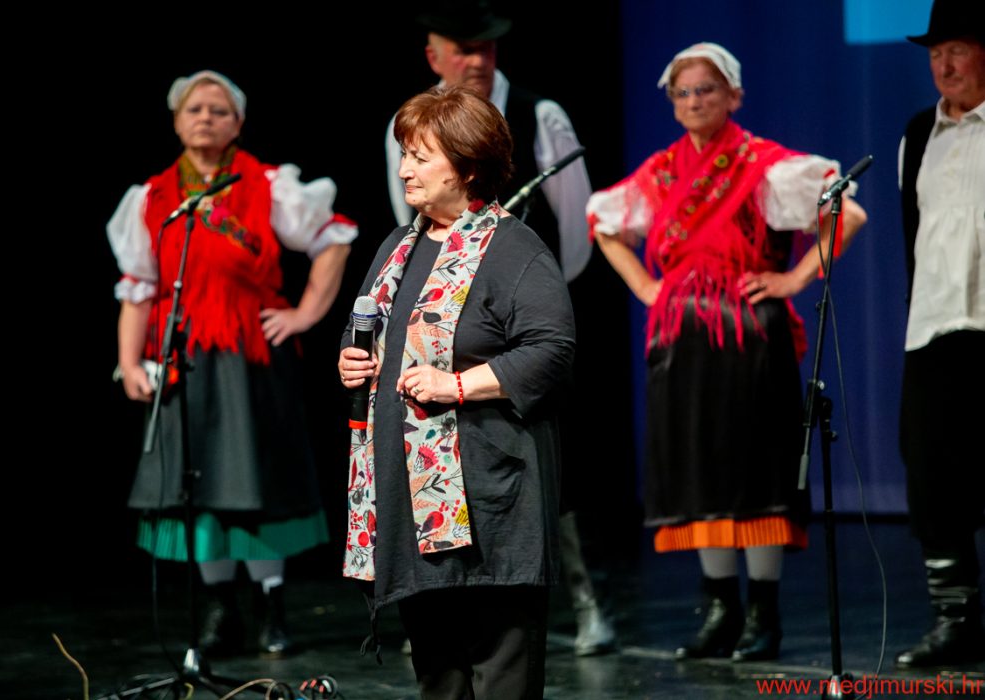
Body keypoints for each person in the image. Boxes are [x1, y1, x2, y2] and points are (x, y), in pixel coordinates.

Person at [587, 42, 867, 662]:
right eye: (683, 92)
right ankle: (720, 608)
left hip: (748, 337)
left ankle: (763, 612)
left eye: (706, 89)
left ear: (733, 95)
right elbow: (604, 225)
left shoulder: (765, 166)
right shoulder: (662, 171)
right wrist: (648, 288)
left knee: (754, 470)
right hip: (682, 338)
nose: (694, 101)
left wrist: (794, 280)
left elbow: (847, 214)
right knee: (700, 467)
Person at [385, 0, 615, 656]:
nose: (476, 60)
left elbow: (575, 229)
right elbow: (411, 224)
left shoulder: (541, 115)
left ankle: (586, 601)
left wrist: (520, 290)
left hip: (520, 318)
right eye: (462, 49)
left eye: (485, 47)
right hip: (439, 325)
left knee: (551, 469)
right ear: (434, 56)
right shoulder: (413, 125)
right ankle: (438, 599)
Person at [107, 69, 356, 658]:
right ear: (176, 121)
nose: (206, 118)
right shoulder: (153, 197)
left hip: (252, 358)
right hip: (186, 357)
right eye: (195, 109)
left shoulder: (267, 184)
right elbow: (138, 287)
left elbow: (334, 238)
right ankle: (220, 608)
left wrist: (304, 314)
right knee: (199, 485)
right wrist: (129, 361)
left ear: (238, 123)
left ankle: (271, 604)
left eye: (219, 110)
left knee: (256, 480)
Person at [341, 85, 575, 699]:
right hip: (413, 506)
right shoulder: (398, 247)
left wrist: (459, 384)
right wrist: (353, 359)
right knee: (439, 679)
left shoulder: (513, 248)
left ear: (468, 167)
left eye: (420, 157)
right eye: (405, 155)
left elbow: (551, 351)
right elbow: (370, 325)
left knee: (501, 675)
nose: (404, 169)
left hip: (492, 498)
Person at [896, 0, 985, 669]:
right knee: (932, 475)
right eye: (935, 53)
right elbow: (912, 232)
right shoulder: (918, 133)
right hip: (933, 328)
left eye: (956, 49)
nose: (944, 66)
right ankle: (955, 619)